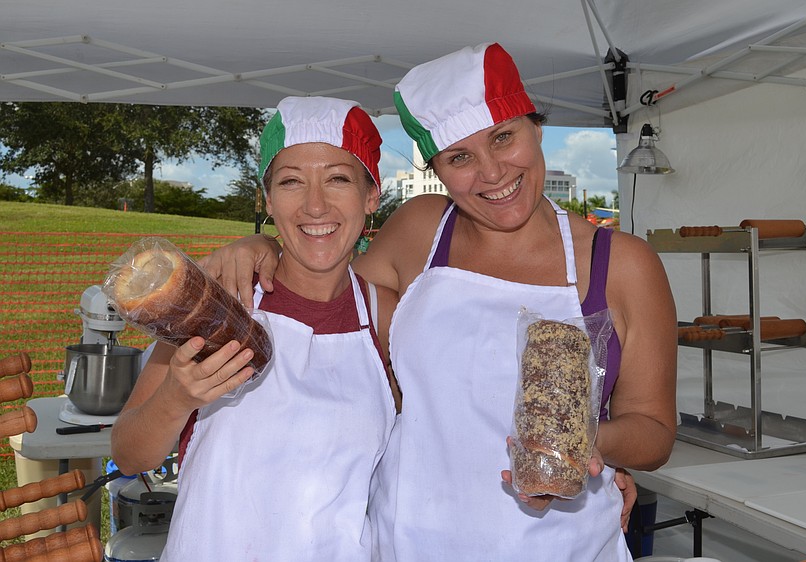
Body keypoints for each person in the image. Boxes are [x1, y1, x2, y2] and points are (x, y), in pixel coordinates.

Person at [204, 43, 677, 561]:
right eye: (459, 158)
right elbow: (328, 293)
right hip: (407, 539)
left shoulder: (622, 264)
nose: (492, 172)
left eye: (503, 138)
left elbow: (653, 432)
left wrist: (590, 442)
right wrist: (265, 245)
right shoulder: (422, 229)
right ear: (437, 169)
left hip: (560, 545)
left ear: (536, 129)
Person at [111, 96, 400, 561]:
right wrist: (177, 399)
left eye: (338, 179)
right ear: (267, 199)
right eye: (291, 182)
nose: (315, 204)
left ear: (371, 196)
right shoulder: (215, 300)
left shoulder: (385, 317)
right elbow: (129, 455)